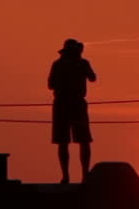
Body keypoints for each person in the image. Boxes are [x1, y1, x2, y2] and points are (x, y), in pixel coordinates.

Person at [48, 38, 97, 184]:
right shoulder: (81, 63)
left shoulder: (58, 64)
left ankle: (67, 176)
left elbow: (50, 84)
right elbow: (93, 78)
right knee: (81, 140)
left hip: (63, 104)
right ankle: (84, 175)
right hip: (74, 103)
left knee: (66, 141)